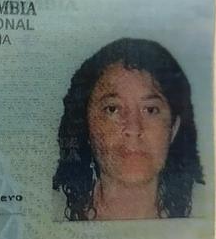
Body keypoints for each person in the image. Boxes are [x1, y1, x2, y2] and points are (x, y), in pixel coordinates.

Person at [53, 37, 204, 221]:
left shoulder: (210, 210)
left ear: (173, 128)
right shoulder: (50, 213)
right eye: (112, 109)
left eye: (150, 110)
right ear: (86, 125)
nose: (133, 129)